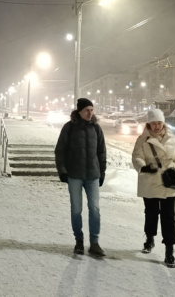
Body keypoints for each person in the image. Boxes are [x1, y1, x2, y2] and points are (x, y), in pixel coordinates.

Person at [132, 108, 175, 268]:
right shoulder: (143, 139)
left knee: (169, 217)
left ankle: (169, 251)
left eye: (159, 123)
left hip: (169, 181)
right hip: (151, 180)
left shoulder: (172, 138)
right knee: (151, 213)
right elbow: (137, 156)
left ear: (163, 123)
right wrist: (143, 167)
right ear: (149, 124)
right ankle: (149, 239)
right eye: (153, 123)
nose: (156, 126)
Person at [55, 98, 107, 257]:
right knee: (76, 210)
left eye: (92, 110)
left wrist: (102, 173)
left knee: (95, 209)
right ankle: (79, 241)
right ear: (79, 111)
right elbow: (60, 150)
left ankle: (94, 243)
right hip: (74, 175)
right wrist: (63, 171)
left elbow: (101, 152)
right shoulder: (69, 127)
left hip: (92, 175)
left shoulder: (96, 128)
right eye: (87, 110)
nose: (90, 113)